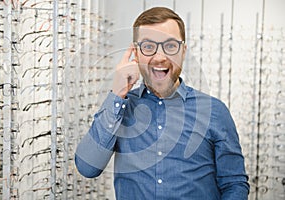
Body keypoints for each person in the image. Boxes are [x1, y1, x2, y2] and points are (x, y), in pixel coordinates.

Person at [75, 7, 249, 200]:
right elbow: (87, 167)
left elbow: (235, 185)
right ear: (136, 53)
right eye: (148, 46)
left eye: (171, 46)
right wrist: (117, 95)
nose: (159, 57)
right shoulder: (119, 108)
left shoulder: (215, 111)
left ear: (183, 51)